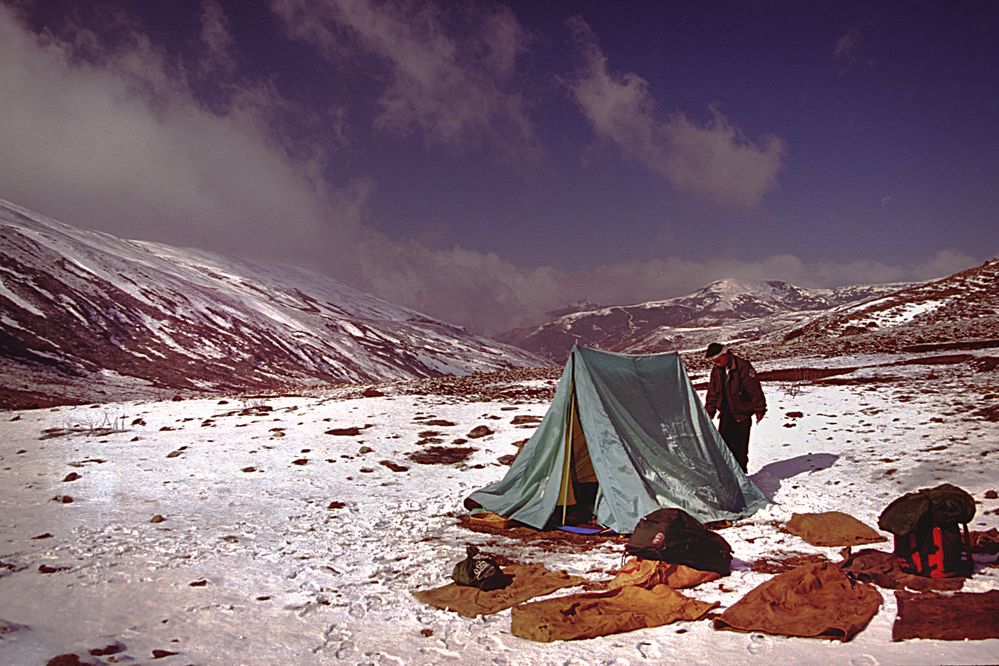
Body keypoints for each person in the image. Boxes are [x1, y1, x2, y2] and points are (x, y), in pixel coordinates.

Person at [703, 343, 766, 473]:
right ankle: (728, 476)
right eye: (714, 361)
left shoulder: (743, 366)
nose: (716, 363)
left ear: (725, 355)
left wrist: (760, 408)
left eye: (718, 360)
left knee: (740, 449)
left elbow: (754, 389)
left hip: (742, 413)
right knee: (724, 447)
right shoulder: (717, 370)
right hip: (726, 413)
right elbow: (713, 391)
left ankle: (742, 477)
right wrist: (710, 410)